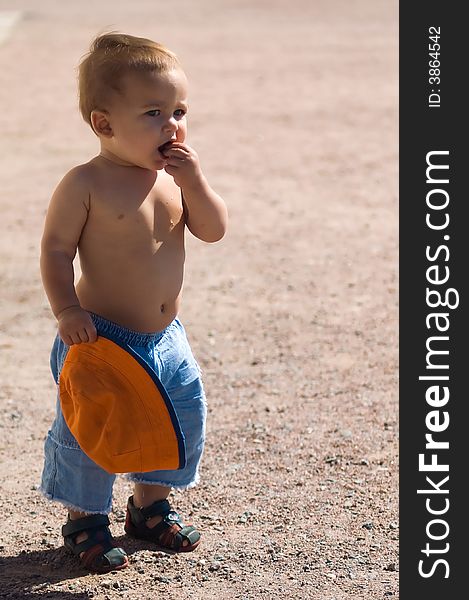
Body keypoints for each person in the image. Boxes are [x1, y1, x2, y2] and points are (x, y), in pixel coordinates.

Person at [39, 32, 228, 573]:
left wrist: (195, 180)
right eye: (154, 113)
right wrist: (67, 311)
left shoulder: (171, 181)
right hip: (100, 336)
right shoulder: (85, 183)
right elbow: (55, 252)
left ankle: (149, 509)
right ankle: (84, 520)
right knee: (91, 430)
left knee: (176, 418)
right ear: (104, 124)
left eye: (179, 111)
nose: (172, 125)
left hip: (166, 338)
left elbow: (213, 230)